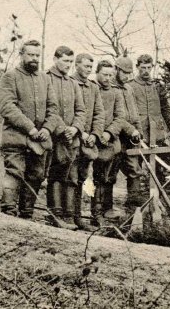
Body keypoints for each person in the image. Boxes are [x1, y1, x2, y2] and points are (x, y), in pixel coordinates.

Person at [0, 40, 60, 219]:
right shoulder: (9, 77)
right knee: (14, 172)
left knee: (37, 175)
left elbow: (53, 108)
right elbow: (7, 107)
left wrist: (47, 129)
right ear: (21, 54)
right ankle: (8, 212)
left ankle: (27, 214)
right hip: (16, 137)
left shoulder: (45, 79)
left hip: (40, 139)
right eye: (30, 54)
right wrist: (30, 128)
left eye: (37, 55)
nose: (34, 58)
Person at [45, 46, 87, 229]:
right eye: (65, 61)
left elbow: (81, 111)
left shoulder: (73, 83)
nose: (68, 65)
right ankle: (55, 214)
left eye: (71, 61)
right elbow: (49, 109)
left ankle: (69, 215)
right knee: (55, 174)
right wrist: (62, 129)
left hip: (72, 138)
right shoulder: (46, 79)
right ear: (55, 60)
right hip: (55, 137)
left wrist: (75, 128)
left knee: (71, 176)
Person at [91, 60, 128, 226]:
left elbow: (121, 117)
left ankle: (107, 209)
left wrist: (109, 132)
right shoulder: (91, 88)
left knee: (109, 177)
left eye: (110, 75)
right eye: (104, 74)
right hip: (92, 139)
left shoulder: (116, 92)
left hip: (110, 140)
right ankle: (96, 213)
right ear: (97, 73)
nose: (107, 78)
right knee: (96, 178)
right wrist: (98, 133)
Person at [71, 53, 105, 231]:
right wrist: (80, 132)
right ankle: (65, 215)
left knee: (83, 178)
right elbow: (70, 112)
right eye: (85, 66)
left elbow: (99, 113)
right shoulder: (70, 82)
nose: (88, 70)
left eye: (90, 67)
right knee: (70, 176)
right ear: (76, 65)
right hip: (72, 139)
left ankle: (77, 217)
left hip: (89, 142)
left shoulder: (93, 87)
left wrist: (95, 134)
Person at [112, 57, 145, 212]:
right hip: (115, 136)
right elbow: (116, 117)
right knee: (109, 173)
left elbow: (134, 113)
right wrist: (131, 129)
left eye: (128, 73)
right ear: (116, 69)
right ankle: (104, 210)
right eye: (123, 72)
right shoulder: (109, 87)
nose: (126, 76)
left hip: (130, 139)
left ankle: (133, 209)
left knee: (135, 171)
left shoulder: (129, 89)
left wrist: (139, 130)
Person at [128, 54, 170, 146]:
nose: (146, 71)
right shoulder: (130, 86)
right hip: (138, 135)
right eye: (143, 67)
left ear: (152, 67)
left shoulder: (157, 86)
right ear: (137, 67)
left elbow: (166, 110)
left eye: (149, 67)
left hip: (157, 134)